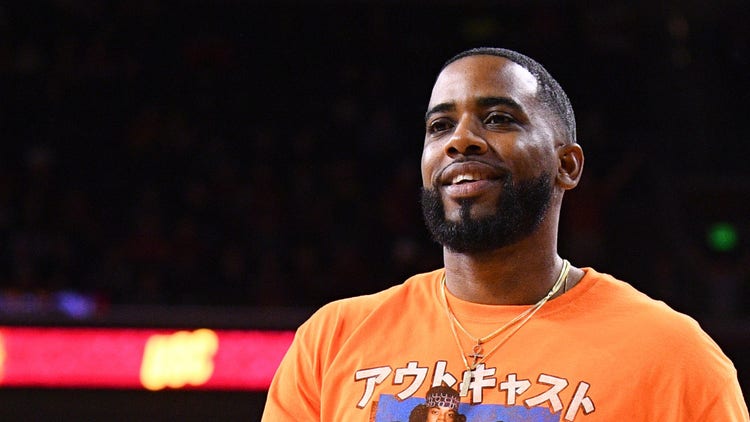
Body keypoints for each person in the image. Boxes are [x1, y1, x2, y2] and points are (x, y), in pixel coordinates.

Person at [262, 47, 748, 421]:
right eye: (440, 125)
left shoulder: (673, 357)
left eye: (498, 119)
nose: (461, 139)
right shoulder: (332, 340)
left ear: (567, 165)